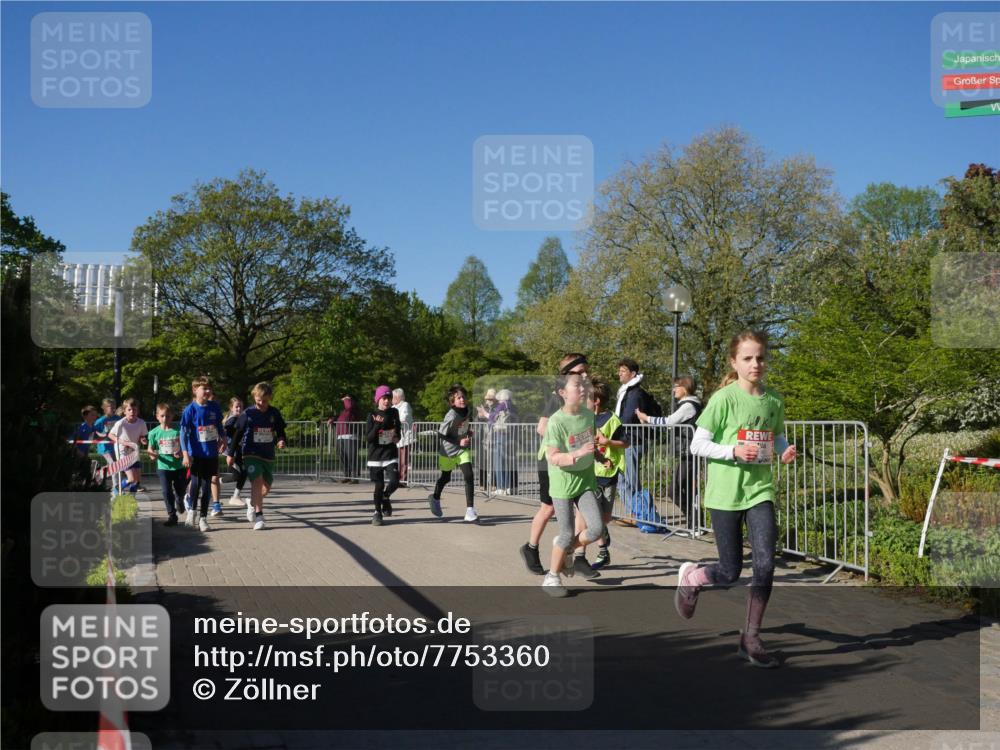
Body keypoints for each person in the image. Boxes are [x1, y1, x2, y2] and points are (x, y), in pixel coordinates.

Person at [675, 330, 797, 668]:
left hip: (760, 491)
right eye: (747, 358)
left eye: (759, 357)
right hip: (725, 493)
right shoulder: (724, 399)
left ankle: (751, 638)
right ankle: (694, 578)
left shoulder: (773, 399)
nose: (755, 363)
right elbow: (696, 444)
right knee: (730, 572)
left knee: (765, 564)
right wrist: (732, 450)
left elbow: (777, 433)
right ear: (735, 362)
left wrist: (785, 449)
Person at [519, 353, 589, 575]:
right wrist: (569, 441)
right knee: (548, 508)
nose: (585, 375)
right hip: (552, 459)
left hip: (578, 459)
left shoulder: (584, 393)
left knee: (582, 507)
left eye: (586, 370)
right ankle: (531, 548)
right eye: (579, 372)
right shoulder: (558, 397)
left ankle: (578, 556)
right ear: (567, 374)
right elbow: (542, 428)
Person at [540, 371, 605, 597]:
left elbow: (589, 443)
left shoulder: (588, 415)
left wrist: (598, 457)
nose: (582, 389)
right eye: (576, 385)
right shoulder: (556, 421)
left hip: (585, 479)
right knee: (567, 532)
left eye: (583, 385)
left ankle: (566, 549)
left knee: (597, 529)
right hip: (563, 482)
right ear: (563, 393)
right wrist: (578, 453)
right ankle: (552, 578)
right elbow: (553, 457)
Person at [636, 376, 703, 521]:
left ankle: (695, 522)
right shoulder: (687, 404)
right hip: (688, 453)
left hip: (690, 453)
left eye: (676, 386)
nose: (673, 390)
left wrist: (647, 418)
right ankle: (694, 523)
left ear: (685, 388)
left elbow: (669, 421)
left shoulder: (688, 406)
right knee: (684, 489)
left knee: (675, 490)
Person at [229, 382, 287, 531]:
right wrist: (231, 453)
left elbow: (280, 430)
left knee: (266, 487)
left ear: (270, 398)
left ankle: (251, 502)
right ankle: (259, 516)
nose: (261, 403)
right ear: (254, 397)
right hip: (250, 453)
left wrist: (281, 440)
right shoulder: (247, 414)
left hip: (267, 454)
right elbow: (237, 434)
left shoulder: (274, 413)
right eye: (258, 400)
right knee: (257, 481)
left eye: (265, 400)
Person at [588, 378, 628, 570]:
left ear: (596, 400)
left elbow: (625, 443)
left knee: (604, 518)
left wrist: (607, 442)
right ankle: (603, 551)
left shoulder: (613, 420)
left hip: (609, 472)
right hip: (589, 473)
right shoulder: (584, 418)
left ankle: (603, 531)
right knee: (593, 516)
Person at [180, 376, 227, 532]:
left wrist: (223, 439)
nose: (207, 391)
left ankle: (203, 518)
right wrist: (186, 454)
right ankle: (191, 512)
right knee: (195, 483)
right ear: (195, 390)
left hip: (211, 454)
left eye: (209, 388)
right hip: (196, 454)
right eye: (204, 388)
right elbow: (183, 434)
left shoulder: (214, 407)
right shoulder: (190, 410)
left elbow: (219, 427)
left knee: (207, 486)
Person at [428, 384, 478, 522]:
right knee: (445, 478)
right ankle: (435, 497)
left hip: (462, 450)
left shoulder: (467, 411)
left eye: (463, 397)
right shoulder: (450, 415)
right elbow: (441, 434)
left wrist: (468, 432)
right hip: (448, 451)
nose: (462, 399)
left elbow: (462, 427)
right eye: (458, 398)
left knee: (469, 474)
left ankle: (470, 511)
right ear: (452, 401)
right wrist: (458, 441)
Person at [614, 358, 648, 508]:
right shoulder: (626, 391)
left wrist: (612, 425)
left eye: (623, 371)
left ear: (633, 374)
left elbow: (627, 416)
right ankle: (633, 512)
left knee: (630, 480)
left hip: (633, 440)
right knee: (623, 479)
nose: (619, 374)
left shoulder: (635, 393)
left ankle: (638, 513)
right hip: (627, 439)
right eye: (619, 371)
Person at [367, 385, 402, 526]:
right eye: (384, 398)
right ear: (378, 399)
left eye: (388, 398)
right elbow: (368, 438)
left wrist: (397, 436)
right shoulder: (372, 414)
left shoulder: (394, 413)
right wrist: (377, 425)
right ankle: (377, 513)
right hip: (375, 455)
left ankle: (386, 497)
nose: (386, 401)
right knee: (379, 486)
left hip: (390, 453)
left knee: (394, 480)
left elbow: (398, 428)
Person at [147, 404, 186, 526]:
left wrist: (181, 453)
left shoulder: (179, 430)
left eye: (168, 416)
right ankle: (172, 516)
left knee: (180, 491)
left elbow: (186, 446)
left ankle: (180, 501)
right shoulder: (154, 433)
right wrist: (152, 455)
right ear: (157, 417)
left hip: (179, 466)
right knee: (166, 491)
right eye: (162, 416)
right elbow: (150, 449)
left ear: (172, 416)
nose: (165, 418)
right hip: (163, 466)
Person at [107, 398, 148, 494]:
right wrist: (123, 442)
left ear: (137, 411)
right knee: (131, 478)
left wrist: (142, 439)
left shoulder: (141, 422)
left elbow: (141, 435)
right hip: (123, 452)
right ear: (124, 411)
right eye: (129, 410)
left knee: (137, 480)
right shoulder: (120, 423)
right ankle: (116, 489)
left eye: (134, 409)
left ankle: (131, 499)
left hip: (134, 452)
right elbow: (110, 435)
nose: (132, 412)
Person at [490, 388, 516, 495]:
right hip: (510, 436)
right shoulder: (513, 406)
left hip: (501, 434)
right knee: (507, 463)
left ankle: (500, 487)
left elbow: (492, 416)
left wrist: (485, 414)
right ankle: (508, 487)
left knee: (499, 462)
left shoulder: (502, 405)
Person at [223, 397, 248, 506]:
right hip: (231, 452)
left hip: (239, 451)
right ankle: (215, 482)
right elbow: (227, 426)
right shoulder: (232, 419)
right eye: (236, 406)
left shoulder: (241, 419)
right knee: (238, 475)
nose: (238, 409)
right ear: (231, 408)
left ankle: (236, 496)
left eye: (240, 407)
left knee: (241, 474)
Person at [336, 395, 361, 483]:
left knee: (352, 458)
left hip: (350, 437)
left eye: (348, 400)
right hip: (340, 436)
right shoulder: (344, 411)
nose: (346, 401)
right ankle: (347, 476)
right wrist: (332, 420)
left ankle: (355, 478)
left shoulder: (353, 409)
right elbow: (339, 418)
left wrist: (346, 399)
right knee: (343, 457)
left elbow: (349, 406)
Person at [475, 388, 497, 490]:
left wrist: (486, 414)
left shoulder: (498, 408)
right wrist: (479, 416)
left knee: (493, 462)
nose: (489, 401)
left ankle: (493, 483)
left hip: (494, 438)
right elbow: (476, 422)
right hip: (483, 438)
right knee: (482, 461)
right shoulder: (483, 408)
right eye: (488, 399)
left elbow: (496, 419)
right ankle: (482, 483)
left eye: (491, 399)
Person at [392, 388, 413, 485]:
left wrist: (394, 421)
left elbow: (404, 417)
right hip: (396, 436)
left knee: (403, 459)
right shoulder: (393, 407)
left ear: (397, 397)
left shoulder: (405, 405)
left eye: (393, 397)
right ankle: (397, 478)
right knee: (396, 458)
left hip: (404, 436)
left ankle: (403, 480)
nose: (391, 399)